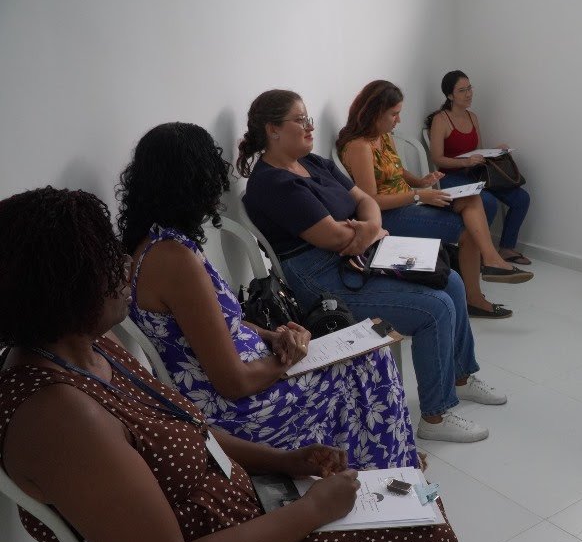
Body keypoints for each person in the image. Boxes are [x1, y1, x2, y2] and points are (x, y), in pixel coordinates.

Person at [0, 186, 474, 542]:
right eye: (107, 264)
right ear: (62, 287)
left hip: (234, 518)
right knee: (417, 539)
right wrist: (310, 512)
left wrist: (285, 461)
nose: (126, 270)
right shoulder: (58, 416)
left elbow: (190, 430)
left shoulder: (89, 346)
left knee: (414, 513)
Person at [118, 122, 415, 468]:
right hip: (237, 411)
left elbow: (212, 324)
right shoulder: (174, 259)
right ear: (193, 183)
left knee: (364, 355)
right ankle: (387, 476)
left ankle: (377, 460)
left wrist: (272, 335)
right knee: (370, 363)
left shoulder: (154, 243)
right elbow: (233, 382)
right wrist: (289, 359)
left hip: (248, 378)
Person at [240, 89, 505, 443]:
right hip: (320, 280)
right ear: (273, 129)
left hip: (356, 257)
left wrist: (363, 228)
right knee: (435, 308)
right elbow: (333, 238)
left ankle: (460, 376)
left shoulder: (312, 162)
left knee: (452, 281)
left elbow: (365, 199)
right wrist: (365, 229)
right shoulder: (273, 183)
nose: (309, 127)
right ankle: (436, 417)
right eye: (300, 120)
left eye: (309, 118)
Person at [338, 79, 531, 320]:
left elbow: (397, 171)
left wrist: (421, 181)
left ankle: (490, 260)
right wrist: (419, 195)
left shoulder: (382, 135)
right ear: (375, 112)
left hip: (409, 200)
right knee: (468, 230)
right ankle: (476, 295)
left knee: (472, 199)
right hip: (388, 215)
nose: (398, 120)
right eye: (394, 114)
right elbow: (372, 202)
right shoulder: (360, 146)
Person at [426, 70, 532, 266]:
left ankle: (507, 248)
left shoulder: (473, 117)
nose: (468, 94)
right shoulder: (441, 120)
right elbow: (438, 159)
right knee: (488, 201)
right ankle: (478, 254)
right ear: (450, 95)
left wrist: (496, 151)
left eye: (469, 88)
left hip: (475, 174)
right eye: (462, 90)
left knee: (521, 198)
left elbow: (477, 151)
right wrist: (465, 162)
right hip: (450, 178)